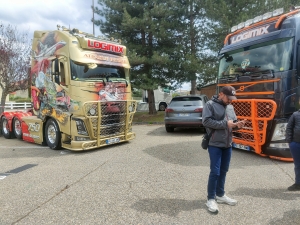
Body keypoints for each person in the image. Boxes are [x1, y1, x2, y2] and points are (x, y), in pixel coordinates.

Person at [202, 86, 246, 213]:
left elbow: (232, 124)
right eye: (228, 98)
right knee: (215, 172)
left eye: (232, 98)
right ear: (221, 94)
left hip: (228, 145)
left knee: (224, 170)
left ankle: (220, 195)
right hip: (215, 144)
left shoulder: (230, 107)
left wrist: (238, 125)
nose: (230, 101)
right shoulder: (210, 105)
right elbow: (206, 122)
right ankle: (210, 198)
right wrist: (225, 124)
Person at [285, 109, 300, 191]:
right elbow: (289, 128)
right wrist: (290, 141)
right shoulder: (295, 114)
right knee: (298, 165)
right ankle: (298, 184)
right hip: (296, 144)